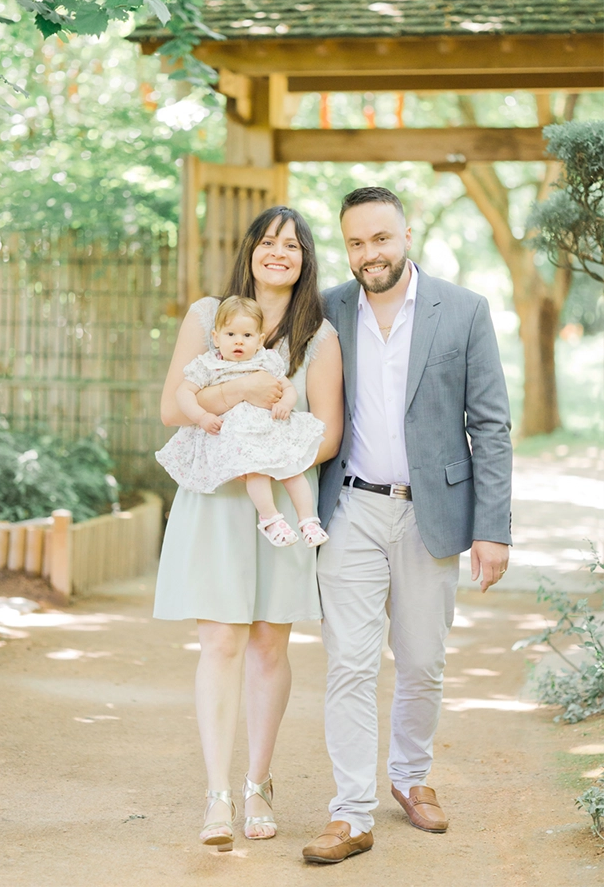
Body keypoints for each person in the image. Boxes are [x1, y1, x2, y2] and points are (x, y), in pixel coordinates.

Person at [302, 186, 512, 864]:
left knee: (422, 662)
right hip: (351, 507)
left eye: (380, 238)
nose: (370, 254)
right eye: (356, 243)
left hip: (433, 511)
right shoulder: (327, 308)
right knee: (349, 666)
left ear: (406, 234)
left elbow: (491, 426)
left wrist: (493, 527)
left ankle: (411, 777)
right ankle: (350, 812)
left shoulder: (464, 310)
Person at [154, 207, 343, 851]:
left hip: (282, 503)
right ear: (251, 250)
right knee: (221, 645)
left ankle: (258, 782)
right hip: (216, 499)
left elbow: (328, 433)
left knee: (268, 646)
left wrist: (268, 453)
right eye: (268, 241)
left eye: (291, 244)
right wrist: (240, 394)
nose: (278, 252)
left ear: (305, 258)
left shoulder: (319, 335)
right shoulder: (208, 316)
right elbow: (170, 406)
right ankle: (216, 796)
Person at [155, 295, 329, 548]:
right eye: (230, 334)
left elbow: (289, 388)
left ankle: (308, 521)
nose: (238, 340)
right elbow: (183, 393)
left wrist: (284, 404)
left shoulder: (266, 361)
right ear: (216, 338)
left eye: (247, 336)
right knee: (256, 473)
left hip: (270, 431)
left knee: (293, 470)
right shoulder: (208, 366)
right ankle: (271, 519)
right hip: (238, 438)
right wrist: (201, 416)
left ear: (259, 340)